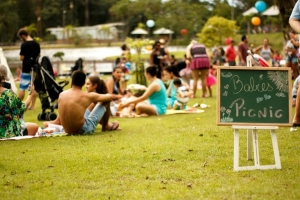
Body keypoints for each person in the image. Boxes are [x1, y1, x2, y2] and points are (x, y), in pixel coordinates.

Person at [43, 70, 113, 134]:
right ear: (83, 83)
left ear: (72, 81)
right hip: (83, 130)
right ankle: (105, 126)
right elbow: (109, 97)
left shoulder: (61, 94)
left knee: (90, 104)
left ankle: (56, 123)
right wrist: (102, 85)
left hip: (66, 130)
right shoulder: (87, 96)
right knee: (105, 101)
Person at [0, 66, 39, 138]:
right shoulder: (8, 94)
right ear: (3, 79)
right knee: (35, 127)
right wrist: (30, 94)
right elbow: (22, 108)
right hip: (7, 132)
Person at [17, 28, 40, 110]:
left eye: (21, 37)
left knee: (22, 87)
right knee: (34, 86)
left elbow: (21, 57)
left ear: (23, 35)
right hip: (35, 69)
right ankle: (32, 106)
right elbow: (39, 55)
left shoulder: (24, 45)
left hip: (26, 69)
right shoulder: (36, 43)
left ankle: (19, 105)